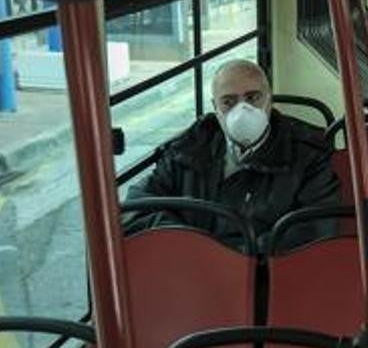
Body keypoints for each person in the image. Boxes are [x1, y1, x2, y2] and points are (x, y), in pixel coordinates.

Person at [123, 59, 340, 252]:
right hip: (188, 273)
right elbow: (136, 209)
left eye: (253, 97)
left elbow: (314, 230)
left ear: (269, 99)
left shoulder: (309, 154)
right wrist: (186, 243)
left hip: (265, 278)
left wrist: (230, 257)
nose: (242, 110)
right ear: (215, 108)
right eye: (228, 101)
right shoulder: (189, 147)